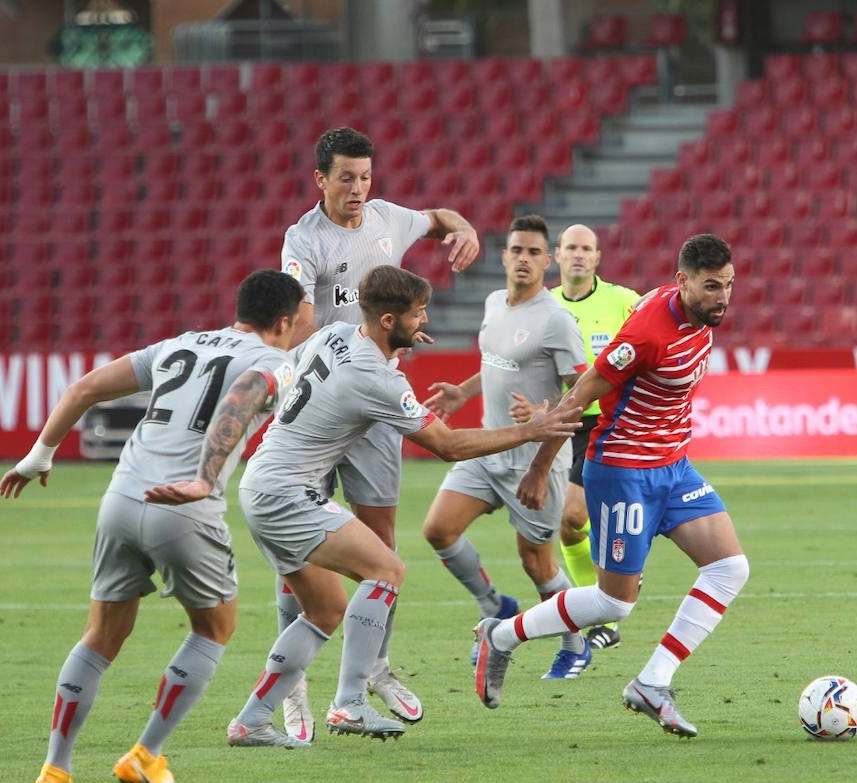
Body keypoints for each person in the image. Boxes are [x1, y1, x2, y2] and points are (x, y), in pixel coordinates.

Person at [147, 266, 579, 746]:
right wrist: (531, 430)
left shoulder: (334, 333)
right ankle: (349, 704)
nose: (425, 321)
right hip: (288, 492)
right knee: (387, 570)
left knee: (326, 608)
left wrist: (396, 343)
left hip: (262, 485)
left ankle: (252, 720)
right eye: (418, 315)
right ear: (390, 320)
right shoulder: (374, 378)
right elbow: (449, 445)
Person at [6, 270, 302, 783]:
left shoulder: (180, 344)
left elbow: (85, 388)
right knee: (215, 627)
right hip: (184, 506)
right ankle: (145, 754)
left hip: (121, 499)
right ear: (284, 321)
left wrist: (39, 455)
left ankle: (54, 771)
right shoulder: (276, 360)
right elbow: (245, 395)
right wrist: (205, 479)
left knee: (100, 635)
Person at [475, 233, 751, 739]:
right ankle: (502, 635)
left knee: (730, 567)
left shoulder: (698, 315)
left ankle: (652, 682)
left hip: (673, 465)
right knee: (614, 604)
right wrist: (541, 468)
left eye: (729, 285)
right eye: (712, 287)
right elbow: (579, 396)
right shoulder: (647, 332)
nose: (723, 298)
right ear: (682, 281)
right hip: (624, 470)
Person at [275, 126, 481, 741]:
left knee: (381, 542)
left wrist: (463, 228)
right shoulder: (303, 239)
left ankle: (372, 670)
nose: (358, 188)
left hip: (372, 409)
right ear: (321, 180)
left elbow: (440, 218)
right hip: (318, 409)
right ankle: (294, 686)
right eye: (346, 177)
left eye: (365, 176)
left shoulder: (390, 219)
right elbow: (299, 320)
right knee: (300, 551)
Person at [420, 215, 590, 679]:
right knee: (437, 529)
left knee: (537, 561)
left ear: (548, 261)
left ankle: (576, 643)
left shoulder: (556, 320)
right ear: (504, 255)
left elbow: (583, 394)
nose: (524, 259)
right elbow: (497, 363)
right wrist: (463, 392)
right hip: (488, 449)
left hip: (535, 461)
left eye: (535, 253)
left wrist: (541, 423)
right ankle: (493, 603)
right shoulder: (495, 303)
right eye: (517, 250)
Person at [544, 223, 640, 653]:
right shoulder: (542, 306)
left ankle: (608, 597)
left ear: (598, 257)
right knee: (567, 523)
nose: (579, 255)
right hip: (562, 422)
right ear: (557, 256)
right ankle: (600, 608)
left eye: (587, 248)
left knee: (579, 513)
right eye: (571, 248)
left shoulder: (624, 301)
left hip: (611, 421)